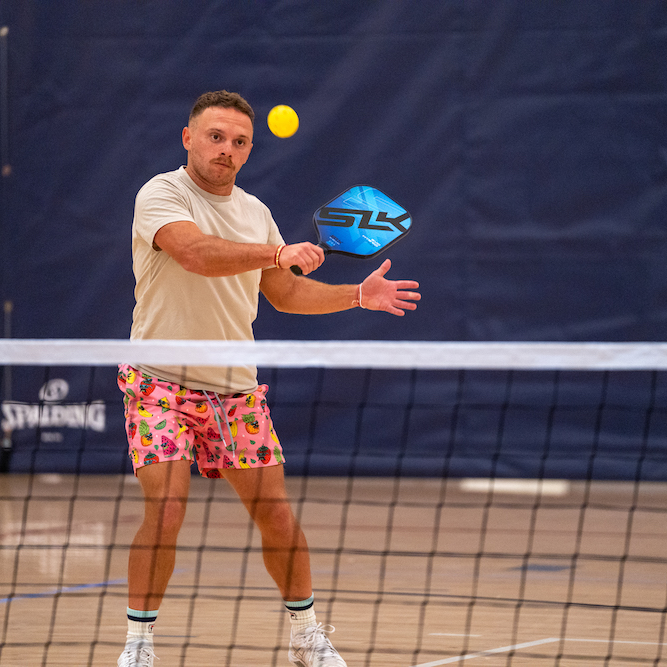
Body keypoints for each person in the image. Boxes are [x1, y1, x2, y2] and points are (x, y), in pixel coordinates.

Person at [117, 90, 421, 667]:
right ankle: (139, 645)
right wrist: (277, 254)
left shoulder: (255, 212)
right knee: (168, 508)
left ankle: (306, 636)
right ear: (188, 138)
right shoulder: (161, 194)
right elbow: (196, 254)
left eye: (239, 142)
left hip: (235, 389)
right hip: (158, 383)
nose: (225, 150)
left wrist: (357, 295)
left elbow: (284, 293)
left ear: (249, 150)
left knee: (277, 513)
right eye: (215, 137)